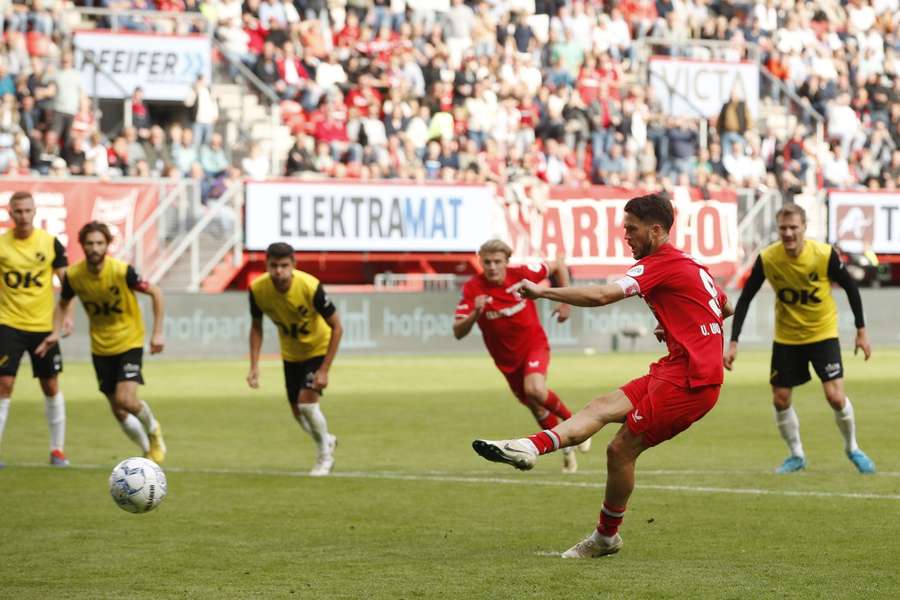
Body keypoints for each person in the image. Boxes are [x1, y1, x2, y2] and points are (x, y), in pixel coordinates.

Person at [472, 193, 733, 558]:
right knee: (599, 407)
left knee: (620, 449)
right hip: (675, 369)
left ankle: (606, 537)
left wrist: (543, 291)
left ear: (656, 230)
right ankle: (528, 446)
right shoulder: (691, 265)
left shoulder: (658, 263)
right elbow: (724, 306)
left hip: (692, 381)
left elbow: (600, 296)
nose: (625, 235)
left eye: (631, 229)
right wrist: (679, 327)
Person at [724, 204, 875, 474]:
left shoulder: (824, 254)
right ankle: (796, 455)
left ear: (804, 227)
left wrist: (861, 330)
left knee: (835, 397)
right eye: (783, 228)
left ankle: (853, 448)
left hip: (822, 333)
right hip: (787, 337)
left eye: (794, 227)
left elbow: (851, 288)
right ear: (778, 229)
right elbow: (745, 299)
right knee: (780, 399)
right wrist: (733, 341)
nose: (789, 233)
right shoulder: (768, 258)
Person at [454, 239, 588, 473]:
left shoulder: (522, 274)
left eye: (497, 262)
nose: (492, 267)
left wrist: (566, 303)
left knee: (535, 389)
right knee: (537, 407)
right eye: (487, 262)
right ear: (481, 263)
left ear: (507, 262)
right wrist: (476, 312)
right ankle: (566, 449)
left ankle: (577, 424)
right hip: (507, 361)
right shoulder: (473, 289)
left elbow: (557, 264)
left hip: (534, 345)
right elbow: (458, 332)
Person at [48, 222, 168, 463]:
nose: (95, 248)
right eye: (90, 243)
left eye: (99, 243)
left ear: (107, 245)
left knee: (126, 400)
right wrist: (54, 331)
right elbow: (63, 303)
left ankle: (154, 431)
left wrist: (157, 333)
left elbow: (156, 292)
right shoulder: (74, 276)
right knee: (118, 410)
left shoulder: (122, 271)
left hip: (129, 340)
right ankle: (146, 450)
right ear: (82, 245)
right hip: (101, 348)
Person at [246, 242, 343, 476]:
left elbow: (337, 327)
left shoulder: (310, 287)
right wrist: (254, 365)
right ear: (267, 265)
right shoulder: (257, 290)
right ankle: (326, 439)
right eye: (274, 266)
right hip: (290, 354)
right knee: (298, 413)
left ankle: (324, 457)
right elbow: (256, 327)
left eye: (284, 266)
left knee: (308, 405)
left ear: (293, 265)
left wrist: (324, 370)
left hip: (318, 348)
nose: (279, 271)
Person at [0, 191, 72, 467]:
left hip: (43, 326)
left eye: (27, 211)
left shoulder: (50, 242)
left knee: (50, 384)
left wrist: (67, 317)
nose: (23, 216)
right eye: (17, 211)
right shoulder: (2, 245)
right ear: (10, 214)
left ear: (34, 212)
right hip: (8, 324)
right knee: (4, 384)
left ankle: (57, 450)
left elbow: (67, 284)